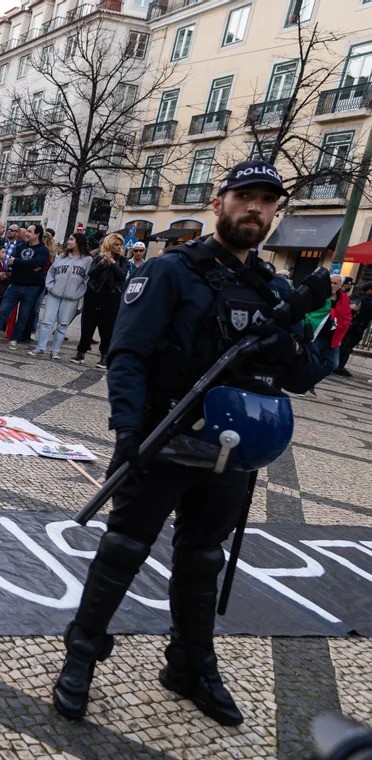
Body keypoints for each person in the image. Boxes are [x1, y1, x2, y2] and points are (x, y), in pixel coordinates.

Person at [52, 160, 323, 727]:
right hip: (166, 437)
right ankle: (81, 655)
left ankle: (191, 663)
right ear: (219, 204)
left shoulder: (276, 290)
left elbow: (305, 374)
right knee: (124, 547)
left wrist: (288, 350)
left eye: (266, 201)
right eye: (244, 196)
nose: (255, 208)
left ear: (275, 212)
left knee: (203, 558)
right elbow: (126, 354)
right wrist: (129, 433)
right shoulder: (172, 271)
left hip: (234, 453)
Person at [0, 223, 47, 345]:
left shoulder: (43, 250)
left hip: (31, 288)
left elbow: (38, 263)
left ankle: (15, 339)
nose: (26, 233)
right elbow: (11, 261)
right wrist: (26, 264)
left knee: (23, 316)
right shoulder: (20, 247)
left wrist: (18, 262)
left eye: (30, 232)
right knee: (2, 312)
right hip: (14, 285)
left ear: (37, 234)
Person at [31, 232, 90, 359]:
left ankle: (55, 350)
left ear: (79, 242)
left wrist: (78, 293)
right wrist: (51, 287)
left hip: (71, 298)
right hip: (54, 294)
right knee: (47, 321)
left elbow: (87, 279)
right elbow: (51, 273)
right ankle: (40, 347)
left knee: (63, 324)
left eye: (71, 239)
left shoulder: (87, 260)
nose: (68, 242)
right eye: (69, 239)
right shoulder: (61, 257)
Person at [73, 232, 127, 367]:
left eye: (120, 244)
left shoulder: (122, 260)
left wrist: (113, 263)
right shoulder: (97, 258)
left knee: (107, 327)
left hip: (112, 297)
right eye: (116, 244)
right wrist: (103, 262)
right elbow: (91, 274)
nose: (118, 247)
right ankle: (81, 352)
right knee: (87, 325)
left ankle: (104, 355)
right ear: (109, 244)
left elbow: (122, 276)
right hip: (94, 295)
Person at [336, 281, 372, 377]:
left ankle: (337, 364)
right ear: (369, 290)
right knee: (347, 347)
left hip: (347, 324)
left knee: (342, 344)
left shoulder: (355, 296)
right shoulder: (368, 301)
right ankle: (339, 367)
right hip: (357, 326)